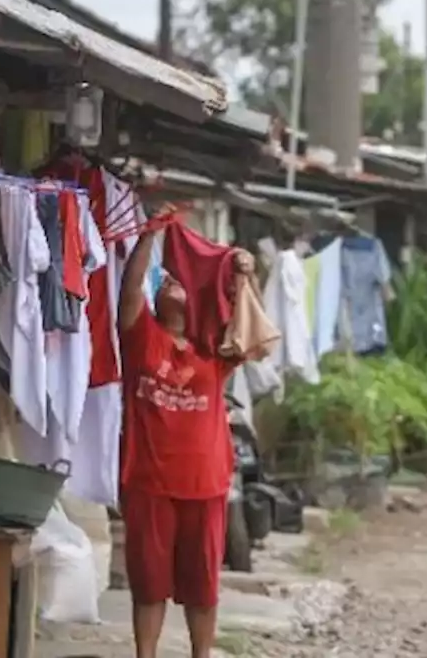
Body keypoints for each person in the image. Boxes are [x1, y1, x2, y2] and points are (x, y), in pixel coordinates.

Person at [116, 210, 254, 658]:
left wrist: (245, 275)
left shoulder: (214, 352)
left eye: (177, 280)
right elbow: (130, 290)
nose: (169, 281)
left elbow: (252, 331)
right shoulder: (142, 339)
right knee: (149, 582)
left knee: (202, 587)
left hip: (206, 485)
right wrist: (148, 236)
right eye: (164, 280)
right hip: (149, 483)